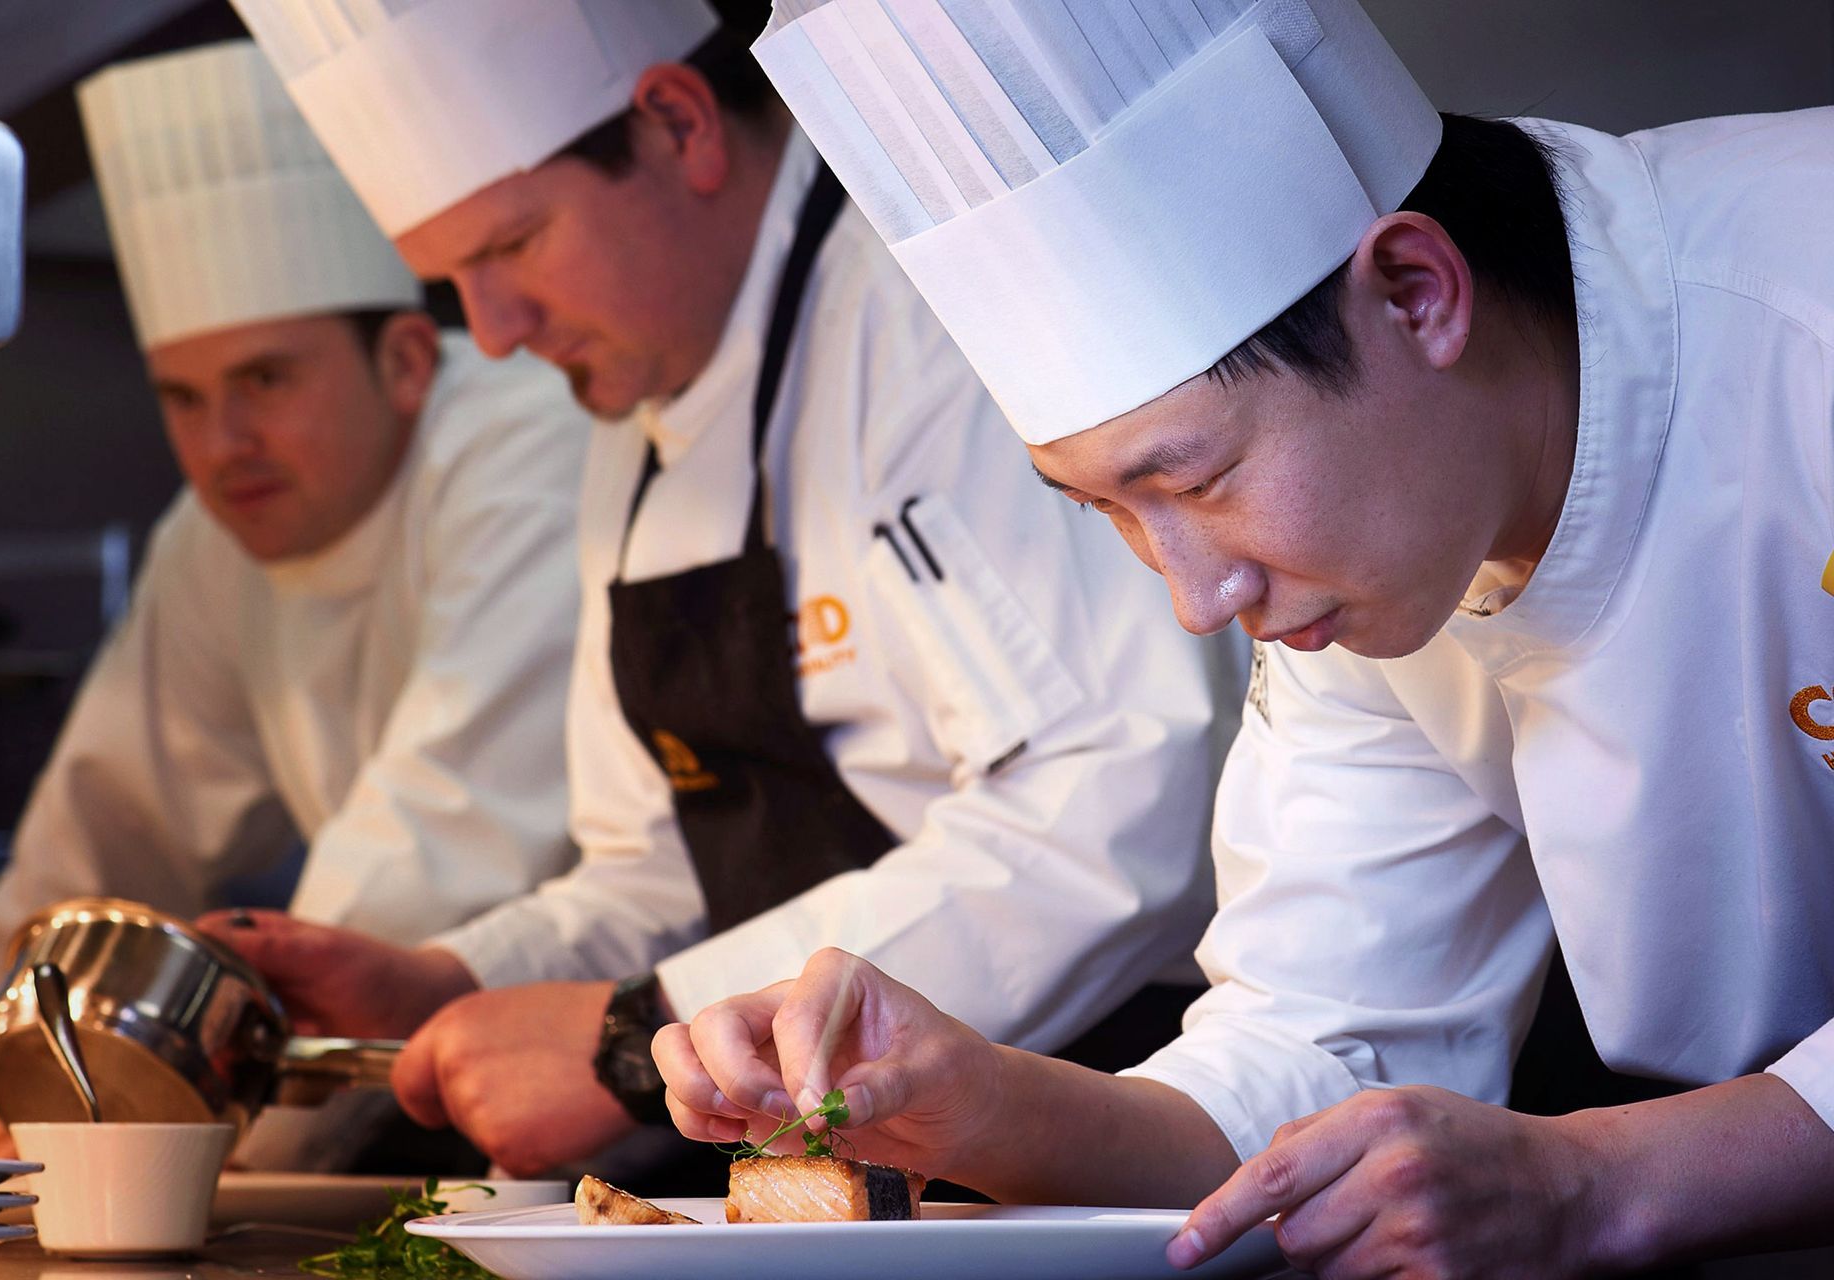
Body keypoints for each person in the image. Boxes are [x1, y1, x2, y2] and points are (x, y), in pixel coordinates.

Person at [658, 0, 1834, 1273]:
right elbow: (1321, 1049)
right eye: (1112, 511)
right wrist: (983, 1102)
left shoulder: (1800, 303)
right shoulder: (1378, 571)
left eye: (1201, 480)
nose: (1195, 596)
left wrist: (1600, 1181)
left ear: (1415, 290)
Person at [211, 0, 1247, 1179]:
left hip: (1107, 1121)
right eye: (453, 279)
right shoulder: (643, 410)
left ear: (677, 122)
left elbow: (1117, 805)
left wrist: (626, 1042)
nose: (490, 336)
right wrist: (459, 980)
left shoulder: (932, 318)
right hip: (824, 1144)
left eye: (508, 247)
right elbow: (656, 865)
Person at [0, 41, 591, 1149]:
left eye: (266, 379)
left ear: (410, 360)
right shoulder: (223, 523)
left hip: (651, 1094)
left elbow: (433, 841)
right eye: (183, 396)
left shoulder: (530, 445)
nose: (223, 442)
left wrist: (139, 1150)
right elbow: (98, 832)